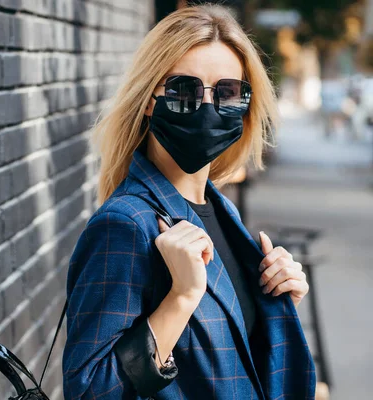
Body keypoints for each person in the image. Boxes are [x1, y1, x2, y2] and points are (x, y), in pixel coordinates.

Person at [61, 5, 315, 400]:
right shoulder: (126, 224)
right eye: (184, 90)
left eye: (228, 92)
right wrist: (180, 298)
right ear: (149, 99)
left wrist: (275, 303)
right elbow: (89, 391)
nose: (208, 108)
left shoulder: (222, 211)